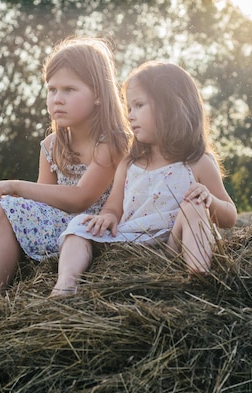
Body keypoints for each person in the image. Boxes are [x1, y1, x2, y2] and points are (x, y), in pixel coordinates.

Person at [0, 37, 132, 298]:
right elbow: (43, 199)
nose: (57, 99)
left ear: (99, 96)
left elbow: (81, 199)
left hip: (88, 229)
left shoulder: (111, 143)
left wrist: (12, 186)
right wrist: (10, 195)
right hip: (59, 222)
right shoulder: (51, 145)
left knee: (6, 211)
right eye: (52, 89)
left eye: (69, 89)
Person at [53, 61, 237, 296]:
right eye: (129, 108)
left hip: (173, 246)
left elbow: (230, 217)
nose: (130, 116)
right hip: (131, 243)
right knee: (79, 225)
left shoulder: (197, 162)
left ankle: (198, 280)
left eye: (138, 106)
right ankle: (66, 284)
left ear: (171, 107)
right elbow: (113, 207)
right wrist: (107, 217)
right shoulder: (131, 163)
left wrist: (208, 198)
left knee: (195, 206)